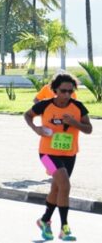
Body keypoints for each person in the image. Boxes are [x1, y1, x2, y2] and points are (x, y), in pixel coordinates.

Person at [25, 74, 92, 241]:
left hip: (69, 154)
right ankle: (64, 228)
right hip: (47, 154)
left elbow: (89, 129)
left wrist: (74, 123)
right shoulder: (45, 105)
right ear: (55, 90)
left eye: (70, 91)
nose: (67, 95)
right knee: (65, 185)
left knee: (57, 188)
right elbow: (27, 115)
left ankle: (44, 220)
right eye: (63, 91)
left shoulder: (78, 107)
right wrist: (36, 129)